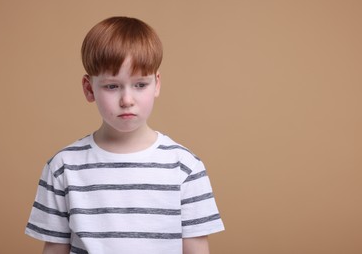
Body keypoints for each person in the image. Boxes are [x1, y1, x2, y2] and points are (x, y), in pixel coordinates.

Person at [25, 16, 224, 254]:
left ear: (156, 84)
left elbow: (196, 249)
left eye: (140, 85)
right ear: (89, 89)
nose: (127, 100)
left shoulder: (186, 168)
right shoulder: (63, 167)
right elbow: (55, 248)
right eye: (112, 86)